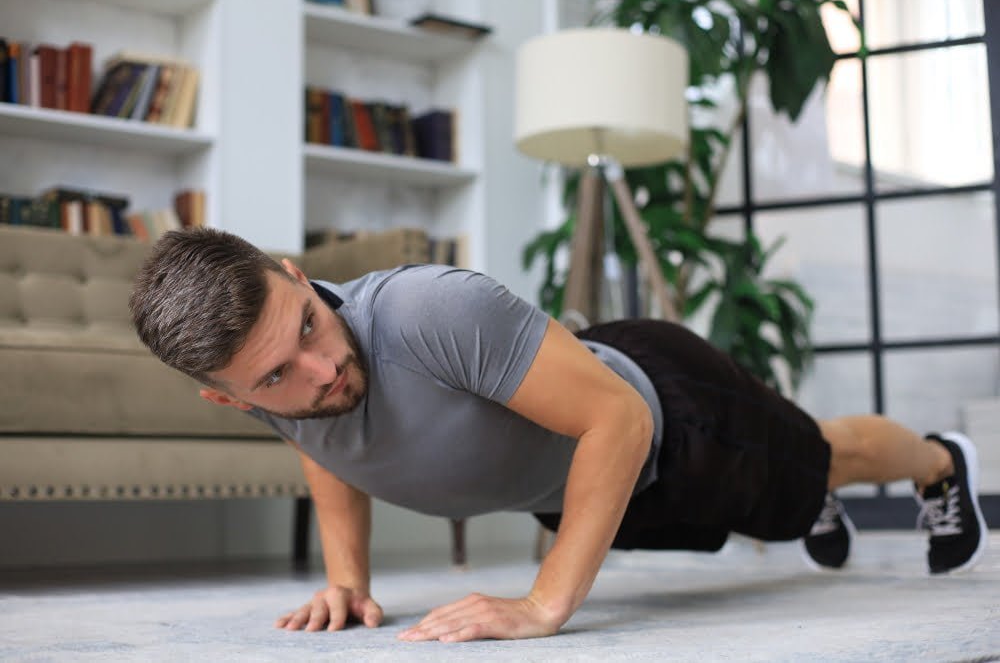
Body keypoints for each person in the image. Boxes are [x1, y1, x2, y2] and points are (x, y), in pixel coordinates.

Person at [129, 228, 988, 643]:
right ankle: (813, 502)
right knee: (792, 495)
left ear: (292, 271)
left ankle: (941, 461)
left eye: (311, 325)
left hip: (671, 415)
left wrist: (545, 603)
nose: (319, 373)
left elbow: (619, 414)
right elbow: (327, 451)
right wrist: (347, 579)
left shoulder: (430, 309)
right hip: (585, 481)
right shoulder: (282, 387)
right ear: (230, 400)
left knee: (822, 455)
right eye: (277, 378)